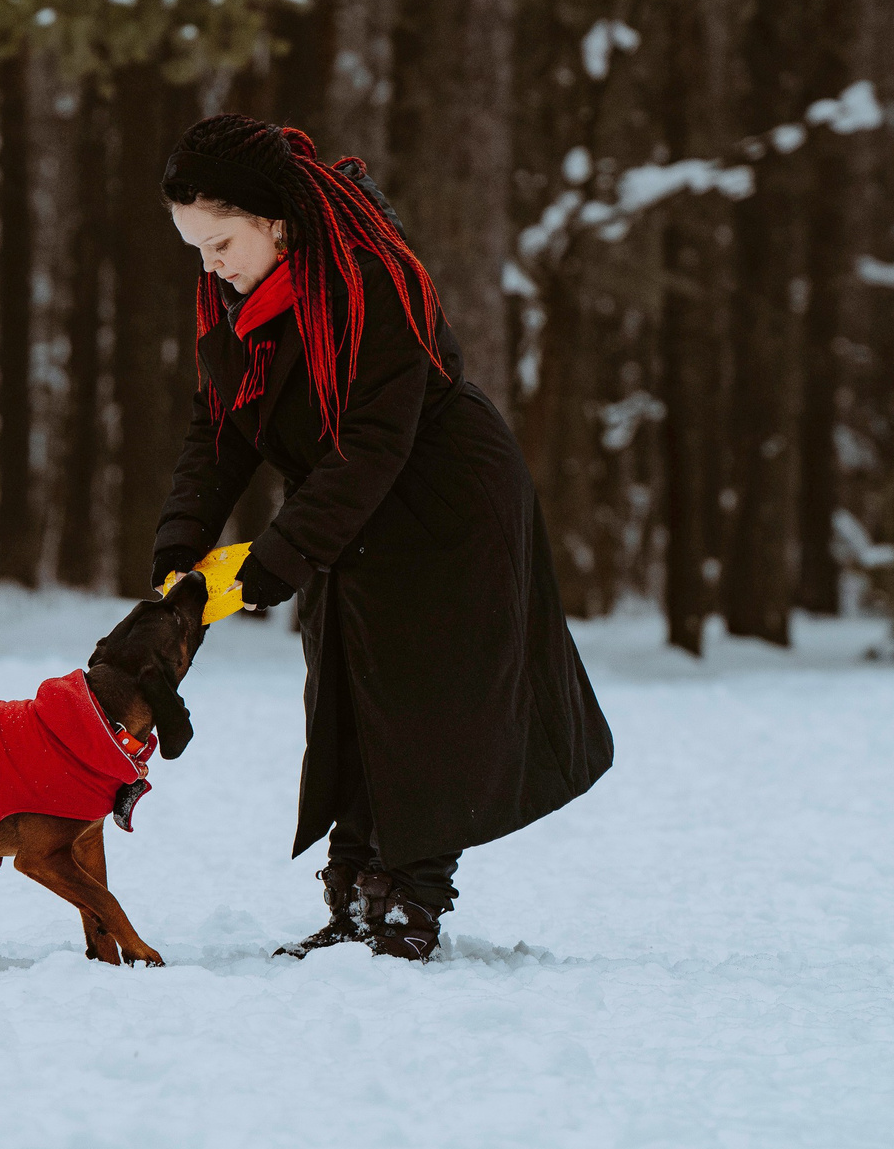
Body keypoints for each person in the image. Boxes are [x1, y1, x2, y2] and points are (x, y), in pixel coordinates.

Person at [151, 115, 614, 961]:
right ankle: (353, 905)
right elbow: (218, 429)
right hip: (346, 512)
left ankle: (406, 910)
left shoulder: (369, 285)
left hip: (441, 508)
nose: (210, 265)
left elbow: (372, 444)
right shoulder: (235, 300)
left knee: (426, 711)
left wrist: (276, 560)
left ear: (275, 221)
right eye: (196, 248)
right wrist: (182, 544)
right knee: (351, 708)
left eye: (220, 242)